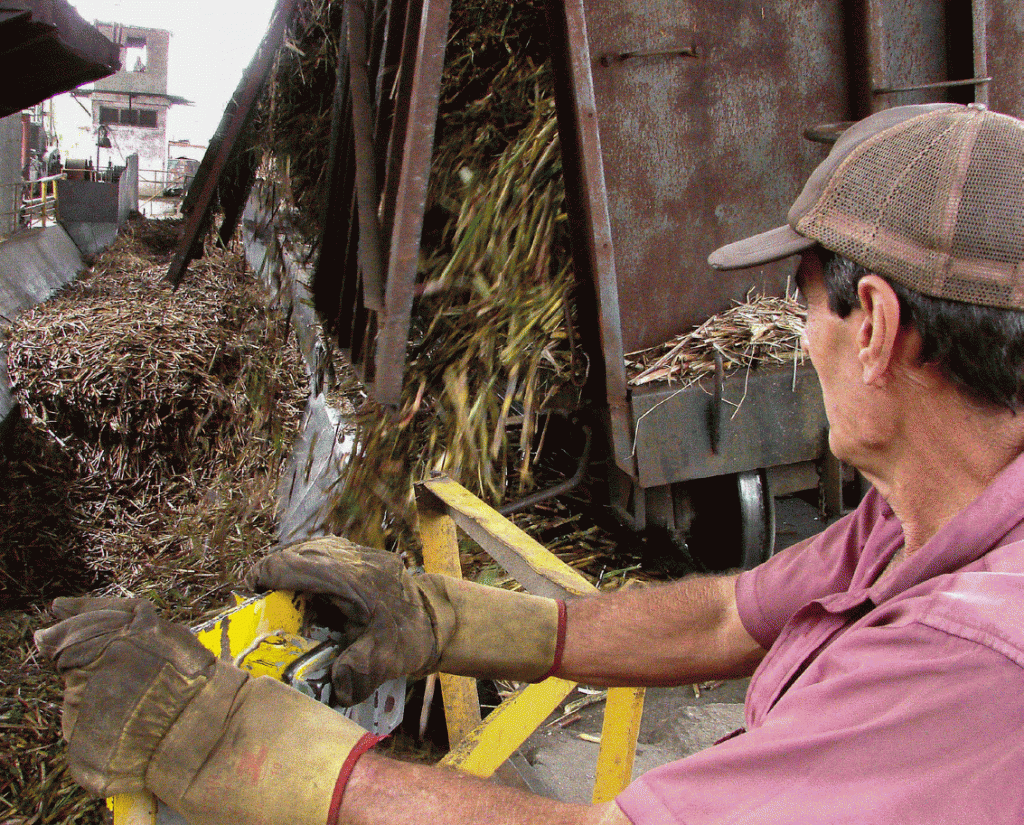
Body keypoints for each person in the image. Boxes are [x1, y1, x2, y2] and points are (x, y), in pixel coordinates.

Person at [36, 101, 1024, 825]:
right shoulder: (926, 509)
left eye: (804, 300)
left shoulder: (979, 654)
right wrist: (449, 619)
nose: (798, 334)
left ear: (875, 330)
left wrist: (234, 744)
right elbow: (729, 614)